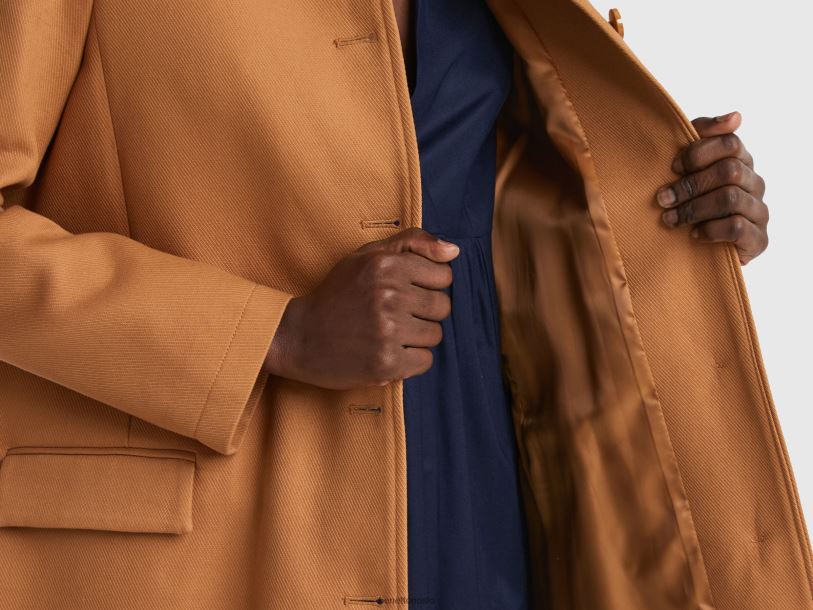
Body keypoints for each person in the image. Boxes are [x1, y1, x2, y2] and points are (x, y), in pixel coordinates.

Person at [1, 1, 804, 609]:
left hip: (488, 498)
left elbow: (490, 193)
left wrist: (665, 200)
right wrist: (272, 334)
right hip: (213, 543)